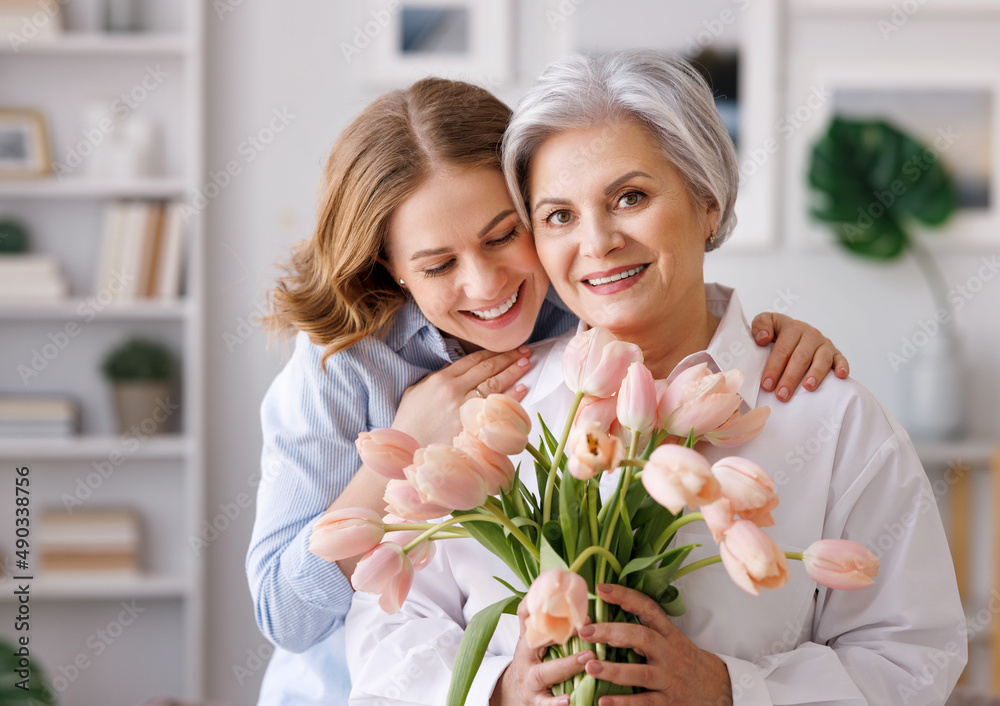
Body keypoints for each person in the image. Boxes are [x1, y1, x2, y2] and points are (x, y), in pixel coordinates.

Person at [345, 51, 966, 705]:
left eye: (630, 197)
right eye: (558, 216)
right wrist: (500, 689)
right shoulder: (491, 411)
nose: (599, 241)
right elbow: (379, 640)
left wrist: (729, 691)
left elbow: (914, 658)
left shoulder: (832, 419)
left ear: (707, 202)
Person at [247, 77, 849, 705]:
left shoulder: (572, 314)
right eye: (438, 265)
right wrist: (407, 449)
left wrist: (760, 338)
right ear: (389, 267)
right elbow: (285, 616)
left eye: (504, 235)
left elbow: (668, 295)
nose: (486, 285)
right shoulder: (343, 366)